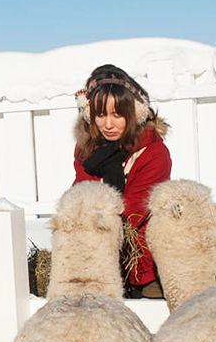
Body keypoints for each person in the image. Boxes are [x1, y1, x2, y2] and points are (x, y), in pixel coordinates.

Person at [72, 64, 172, 298]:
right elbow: (82, 195)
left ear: (135, 112)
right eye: (101, 114)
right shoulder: (86, 150)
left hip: (142, 267)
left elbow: (133, 211)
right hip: (95, 260)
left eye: (117, 115)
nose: (108, 124)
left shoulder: (153, 154)